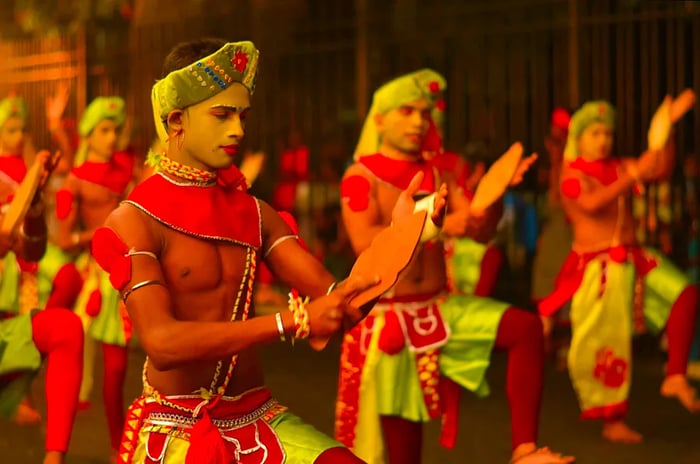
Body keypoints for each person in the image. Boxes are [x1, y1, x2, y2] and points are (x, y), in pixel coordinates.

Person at [92, 38, 430, 464]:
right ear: (176, 120)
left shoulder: (254, 212)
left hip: (256, 417)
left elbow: (343, 301)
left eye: (242, 115)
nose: (238, 130)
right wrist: (286, 322)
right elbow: (161, 342)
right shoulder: (133, 219)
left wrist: (399, 236)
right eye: (222, 115)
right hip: (173, 427)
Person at [336, 69, 573, 464]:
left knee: (526, 328)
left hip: (440, 308)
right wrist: (433, 220)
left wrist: (493, 196)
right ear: (379, 120)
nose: (418, 121)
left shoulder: (439, 170)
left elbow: (478, 230)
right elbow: (365, 242)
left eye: (424, 114)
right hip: (390, 321)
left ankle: (525, 450)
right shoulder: (360, 177)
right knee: (403, 455)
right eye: (407, 111)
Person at [537, 99, 700, 443]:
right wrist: (632, 175)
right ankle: (612, 422)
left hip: (633, 257)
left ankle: (675, 375)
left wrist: (664, 129)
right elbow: (592, 205)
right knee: (608, 345)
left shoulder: (619, 166)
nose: (604, 139)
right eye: (595, 133)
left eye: (608, 133)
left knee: (685, 293)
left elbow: (659, 167)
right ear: (579, 138)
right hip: (600, 267)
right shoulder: (572, 174)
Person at [54, 96, 135, 455]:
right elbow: (62, 237)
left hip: (130, 267)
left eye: (114, 129)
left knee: (123, 368)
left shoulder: (124, 171)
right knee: (100, 358)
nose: (111, 136)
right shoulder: (75, 181)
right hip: (99, 276)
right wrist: (100, 233)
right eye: (103, 130)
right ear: (88, 134)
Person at [0, 150, 84, 464]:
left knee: (66, 326)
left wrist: (33, 207)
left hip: (6, 331)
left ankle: (53, 458)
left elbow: (32, 250)